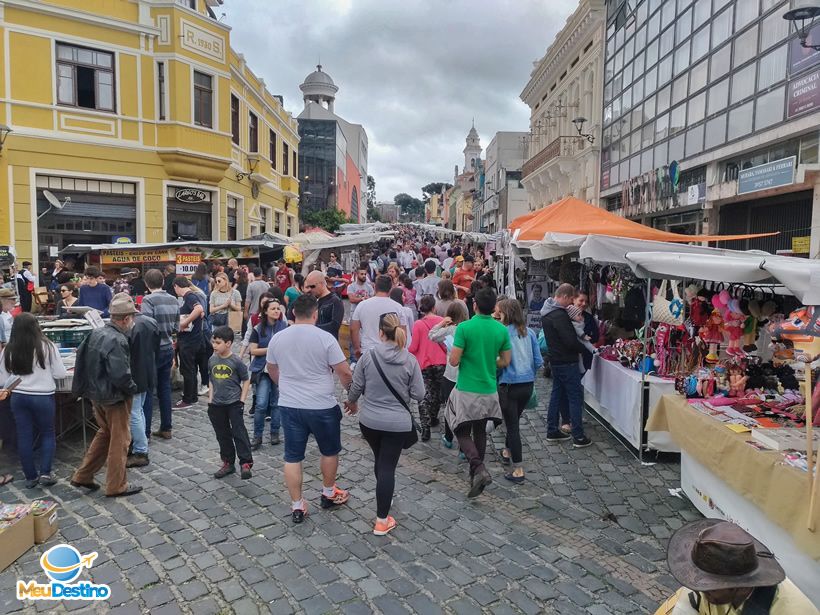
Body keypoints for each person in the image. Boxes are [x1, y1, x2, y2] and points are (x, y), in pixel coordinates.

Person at [266, 294, 353, 524]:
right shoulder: (325, 338)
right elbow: (344, 372)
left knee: (292, 456)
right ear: (315, 314)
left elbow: (272, 369)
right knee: (329, 451)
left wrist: (284, 386)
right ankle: (328, 492)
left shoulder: (278, 338)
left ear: (293, 313)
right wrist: (351, 396)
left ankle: (297, 505)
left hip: (290, 404)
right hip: (321, 404)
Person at [347, 312, 424, 535]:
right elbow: (419, 394)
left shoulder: (368, 357)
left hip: (370, 421)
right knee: (387, 465)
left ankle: (384, 498)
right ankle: (382, 519)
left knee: (380, 461)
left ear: (380, 333)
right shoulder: (409, 360)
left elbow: (356, 387)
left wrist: (351, 403)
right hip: (397, 423)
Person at [656, 519, 817, 615]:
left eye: (711, 588)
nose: (701, 591)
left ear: (738, 586)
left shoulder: (793, 611)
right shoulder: (700, 588)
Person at [71, 293, 142, 497]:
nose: (133, 321)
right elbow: (120, 375)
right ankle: (116, 485)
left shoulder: (96, 333)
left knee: (105, 433)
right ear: (126, 318)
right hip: (114, 397)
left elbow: (81, 360)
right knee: (120, 441)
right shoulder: (118, 339)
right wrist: (132, 388)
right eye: (132, 317)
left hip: (97, 395)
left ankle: (83, 475)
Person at [445, 287, 511, 498]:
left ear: (474, 305)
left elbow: (454, 360)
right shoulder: (501, 330)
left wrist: (466, 356)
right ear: (493, 308)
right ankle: (476, 476)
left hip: (467, 388)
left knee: (461, 430)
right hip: (489, 388)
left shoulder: (464, 328)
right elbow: (506, 361)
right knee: (480, 430)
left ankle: (479, 468)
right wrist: (490, 360)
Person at [0, 313, 67, 488]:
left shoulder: (9, 349)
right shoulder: (47, 346)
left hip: (19, 396)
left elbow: (2, 378)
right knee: (47, 432)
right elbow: (60, 373)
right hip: (43, 396)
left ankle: (30, 476)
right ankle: (45, 472)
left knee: (24, 435)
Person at [495, 298, 542, 483]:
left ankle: (518, 469)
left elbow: (499, 362)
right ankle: (507, 451)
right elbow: (538, 361)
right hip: (527, 385)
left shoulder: (503, 333)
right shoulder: (529, 332)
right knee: (513, 419)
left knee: (512, 426)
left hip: (509, 385)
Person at [541, 283, 592, 447]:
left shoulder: (547, 312)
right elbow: (570, 341)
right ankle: (578, 435)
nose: (571, 303)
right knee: (574, 397)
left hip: (555, 360)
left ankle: (552, 429)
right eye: (570, 299)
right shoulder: (559, 315)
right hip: (567, 361)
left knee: (556, 395)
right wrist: (583, 349)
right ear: (563, 296)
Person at [208, 326, 254, 480]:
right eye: (213, 342)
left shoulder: (236, 361)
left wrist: (242, 401)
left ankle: (245, 462)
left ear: (228, 343)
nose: (214, 345)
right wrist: (210, 400)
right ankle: (228, 462)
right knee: (222, 434)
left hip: (234, 403)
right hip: (216, 404)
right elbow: (212, 380)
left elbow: (246, 380)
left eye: (218, 342)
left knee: (239, 432)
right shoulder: (212, 359)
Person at [139, 269, 179, 440]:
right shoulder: (173, 299)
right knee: (165, 388)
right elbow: (177, 327)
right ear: (163, 282)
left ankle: (146, 431)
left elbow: (147, 327)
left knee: (148, 390)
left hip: (153, 349)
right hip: (168, 346)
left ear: (147, 284)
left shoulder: (148, 300)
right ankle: (166, 427)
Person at [428, 301, 469, 448]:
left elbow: (432, 336)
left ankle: (449, 436)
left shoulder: (450, 329)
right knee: (464, 410)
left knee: (449, 408)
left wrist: (441, 323)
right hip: (466, 375)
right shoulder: (468, 329)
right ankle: (465, 443)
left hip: (451, 375)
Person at [249, 298, 287, 449]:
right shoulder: (258, 329)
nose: (277, 311)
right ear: (265, 311)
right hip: (262, 370)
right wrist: (271, 348)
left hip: (279, 369)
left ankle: (274, 433)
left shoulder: (283, 327)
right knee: (261, 404)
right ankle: (257, 436)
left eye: (278, 308)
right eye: (273, 309)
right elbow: (253, 350)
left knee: (276, 403)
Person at [408, 295, 447, 441]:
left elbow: (413, 347)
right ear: (434, 307)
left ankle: (425, 427)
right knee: (437, 391)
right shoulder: (441, 321)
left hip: (423, 363)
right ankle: (434, 416)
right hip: (441, 362)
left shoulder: (418, 324)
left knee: (423, 394)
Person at [127, 308, 160, 468]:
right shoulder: (150, 321)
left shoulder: (131, 326)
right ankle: (140, 445)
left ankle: (140, 449)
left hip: (136, 373)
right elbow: (156, 347)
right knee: (138, 411)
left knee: (135, 413)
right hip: (148, 371)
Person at [351, 275, 409, 359]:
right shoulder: (398, 307)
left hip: (368, 352)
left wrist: (357, 349)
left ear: (375, 288)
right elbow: (403, 332)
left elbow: (354, 329)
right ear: (390, 289)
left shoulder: (362, 305)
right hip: (391, 352)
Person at [174, 277, 207, 410]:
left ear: (176, 286)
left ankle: (187, 399)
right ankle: (192, 396)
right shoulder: (192, 296)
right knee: (191, 369)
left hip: (189, 340)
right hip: (194, 339)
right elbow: (201, 312)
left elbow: (199, 309)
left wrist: (184, 322)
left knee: (188, 369)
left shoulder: (189, 296)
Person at [305, 270, 344, 339]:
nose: (310, 289)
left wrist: (312, 327)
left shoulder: (335, 301)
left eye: (312, 286)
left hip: (328, 344)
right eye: (308, 287)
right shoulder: (313, 300)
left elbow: (335, 325)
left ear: (321, 283)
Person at [574, 291, 600, 372]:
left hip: (586, 355)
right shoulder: (566, 316)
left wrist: (588, 340)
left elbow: (596, 335)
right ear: (574, 300)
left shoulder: (589, 317)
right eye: (581, 300)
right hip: (572, 356)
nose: (584, 303)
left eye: (586, 301)